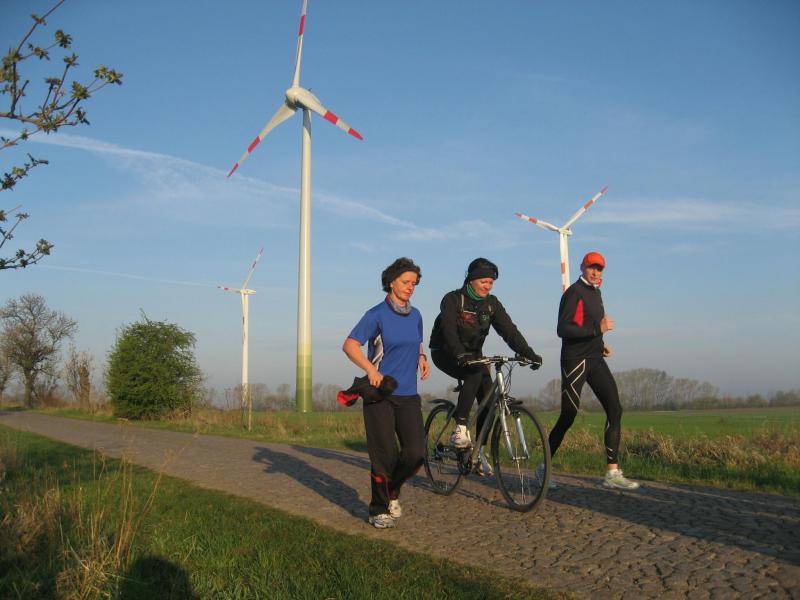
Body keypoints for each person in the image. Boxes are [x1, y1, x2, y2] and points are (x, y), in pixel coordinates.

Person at [429, 258, 542, 476]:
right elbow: (448, 330)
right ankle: (460, 430)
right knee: (474, 373)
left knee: (489, 404)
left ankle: (478, 453)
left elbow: (509, 331)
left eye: (491, 282)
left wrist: (528, 353)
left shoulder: (492, 304)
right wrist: (459, 354)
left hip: (473, 354)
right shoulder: (453, 299)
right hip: (445, 351)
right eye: (483, 281)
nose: (487, 286)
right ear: (471, 280)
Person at [342, 257, 429, 528]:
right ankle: (378, 509)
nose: (410, 287)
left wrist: (421, 356)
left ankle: (391, 491)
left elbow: (416, 341)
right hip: (380, 394)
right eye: (405, 282)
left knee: (416, 453)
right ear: (391, 282)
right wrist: (370, 369)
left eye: (414, 283)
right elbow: (350, 345)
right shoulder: (376, 314)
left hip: (409, 394)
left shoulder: (416, 315)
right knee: (385, 455)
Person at [545, 251, 639, 490]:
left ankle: (612, 473)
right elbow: (563, 329)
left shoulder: (596, 293)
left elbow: (587, 326)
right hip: (575, 360)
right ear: (582, 267)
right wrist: (598, 330)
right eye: (591, 267)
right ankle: (544, 468)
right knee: (568, 415)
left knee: (615, 409)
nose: (595, 272)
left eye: (599, 268)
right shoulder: (573, 292)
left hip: (595, 359)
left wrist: (600, 343)